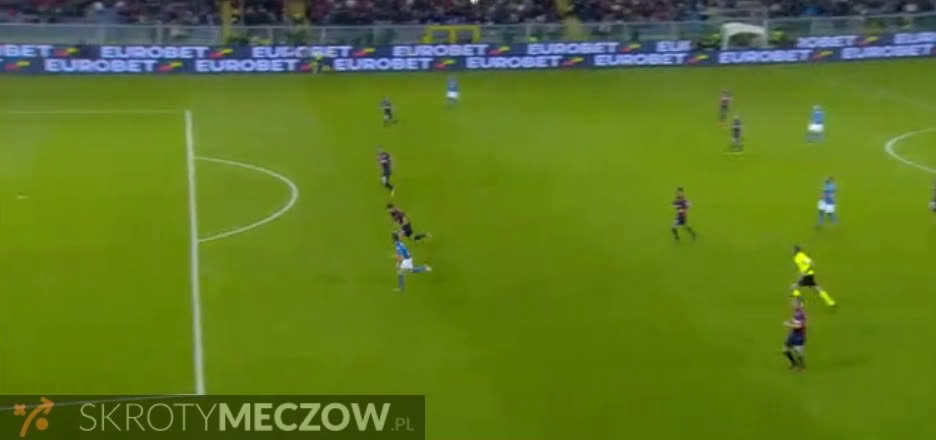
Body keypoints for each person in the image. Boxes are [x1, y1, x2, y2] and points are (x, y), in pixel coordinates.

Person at [783, 297, 807, 371]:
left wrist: (788, 324)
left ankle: (801, 366)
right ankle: (793, 364)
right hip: (793, 333)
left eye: (795, 303)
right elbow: (794, 321)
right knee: (785, 350)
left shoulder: (801, 314)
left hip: (799, 336)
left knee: (798, 352)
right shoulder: (796, 311)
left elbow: (799, 326)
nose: (793, 304)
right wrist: (790, 321)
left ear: (799, 304)